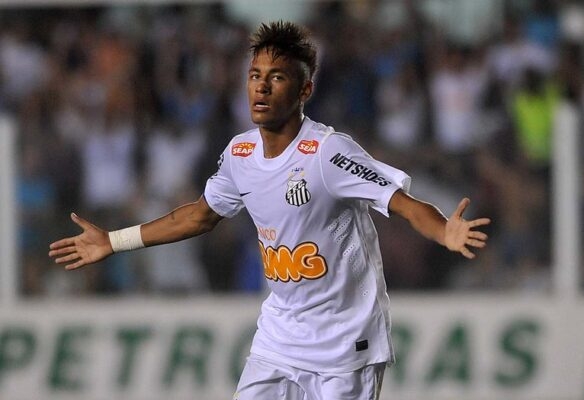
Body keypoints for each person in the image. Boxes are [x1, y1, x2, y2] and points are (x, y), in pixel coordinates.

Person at [49, 21, 490, 400]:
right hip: (281, 337)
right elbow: (200, 215)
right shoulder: (240, 154)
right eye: (254, 75)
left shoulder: (328, 153)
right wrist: (114, 240)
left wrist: (444, 232)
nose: (260, 86)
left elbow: (406, 206)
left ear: (305, 89)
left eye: (277, 77)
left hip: (345, 343)